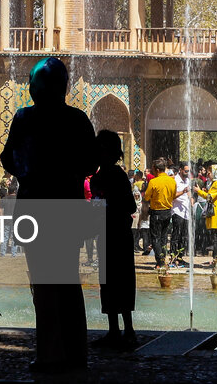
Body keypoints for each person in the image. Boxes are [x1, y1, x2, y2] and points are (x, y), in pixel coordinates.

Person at [1, 57, 98, 374]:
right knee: (68, 282)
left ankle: (50, 355)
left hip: (35, 209)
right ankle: (75, 353)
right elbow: (90, 165)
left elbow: (8, 158)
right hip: (67, 211)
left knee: (43, 284)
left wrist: (31, 176)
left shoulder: (24, 118)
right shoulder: (77, 119)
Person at [89, 130, 138, 349]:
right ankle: (114, 331)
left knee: (122, 280)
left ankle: (128, 330)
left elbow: (131, 206)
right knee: (108, 282)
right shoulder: (98, 178)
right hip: (106, 235)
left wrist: (109, 205)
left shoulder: (117, 175)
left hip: (119, 234)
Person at [142, 157, 175, 268]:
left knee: (155, 237)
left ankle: (160, 262)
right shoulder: (172, 180)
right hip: (167, 212)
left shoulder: (153, 181)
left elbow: (146, 196)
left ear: (156, 169)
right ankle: (163, 259)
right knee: (164, 237)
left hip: (156, 212)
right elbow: (173, 195)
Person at [195, 165, 217, 262]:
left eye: (209, 173)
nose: (208, 175)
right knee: (216, 237)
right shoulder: (216, 182)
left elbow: (210, 197)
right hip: (215, 211)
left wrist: (199, 192)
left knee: (216, 237)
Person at [170, 161, 192, 265]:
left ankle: (180, 257)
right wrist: (182, 192)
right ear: (181, 170)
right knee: (176, 235)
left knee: (184, 236)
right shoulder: (175, 180)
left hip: (186, 212)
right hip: (177, 211)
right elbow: (172, 195)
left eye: (188, 171)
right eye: (186, 171)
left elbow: (189, 192)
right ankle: (173, 257)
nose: (187, 173)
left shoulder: (187, 180)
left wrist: (191, 199)